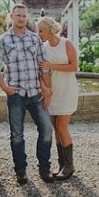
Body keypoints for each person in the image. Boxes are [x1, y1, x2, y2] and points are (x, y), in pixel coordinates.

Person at [0, 4, 55, 184]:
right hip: (16, 95)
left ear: (27, 17)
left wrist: (47, 91)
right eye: (18, 15)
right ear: (12, 16)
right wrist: (6, 88)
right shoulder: (2, 41)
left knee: (47, 130)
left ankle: (44, 168)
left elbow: (43, 68)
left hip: (35, 93)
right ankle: (20, 170)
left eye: (24, 16)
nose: (21, 19)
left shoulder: (35, 40)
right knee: (17, 134)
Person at [36, 17, 79, 181]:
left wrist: (51, 66)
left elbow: (74, 67)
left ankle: (69, 166)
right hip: (52, 94)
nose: (38, 33)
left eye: (41, 30)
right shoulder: (43, 48)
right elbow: (40, 71)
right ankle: (62, 164)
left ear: (49, 30)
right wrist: (44, 89)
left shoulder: (66, 44)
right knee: (55, 129)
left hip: (67, 91)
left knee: (62, 127)